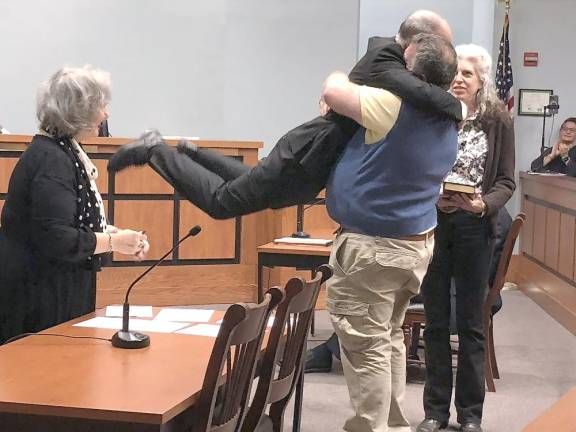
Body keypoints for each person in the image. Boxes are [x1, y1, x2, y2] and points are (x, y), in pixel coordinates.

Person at [107, 10, 465, 218]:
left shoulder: (391, 62)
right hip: (307, 153)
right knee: (223, 203)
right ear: (417, 44)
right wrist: (458, 106)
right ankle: (156, 149)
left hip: (313, 157)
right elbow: (422, 93)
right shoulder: (384, 57)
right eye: (442, 44)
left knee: (259, 187)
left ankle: (192, 154)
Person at [324, 33, 459, 432]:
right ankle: (395, 425)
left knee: (367, 348)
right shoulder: (451, 116)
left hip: (374, 250)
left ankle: (373, 428)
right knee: (388, 340)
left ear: (410, 72)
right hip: (412, 247)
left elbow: (333, 91)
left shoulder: (393, 106)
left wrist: (340, 72)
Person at [0, 66, 149, 345]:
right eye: (100, 105)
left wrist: (117, 236)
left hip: (49, 287)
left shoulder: (58, 150)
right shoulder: (52, 160)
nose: (106, 114)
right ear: (76, 112)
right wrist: (115, 243)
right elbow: (58, 237)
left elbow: (73, 220)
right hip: (40, 297)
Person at [416, 44, 515, 432]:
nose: (458, 79)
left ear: (481, 81)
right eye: (455, 72)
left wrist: (482, 205)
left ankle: (470, 416)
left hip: (475, 228)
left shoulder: (498, 120)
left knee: (471, 324)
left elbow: (507, 181)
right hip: (436, 226)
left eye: (467, 74)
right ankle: (435, 412)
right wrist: (430, 194)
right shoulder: (434, 114)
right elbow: (417, 166)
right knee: (436, 321)